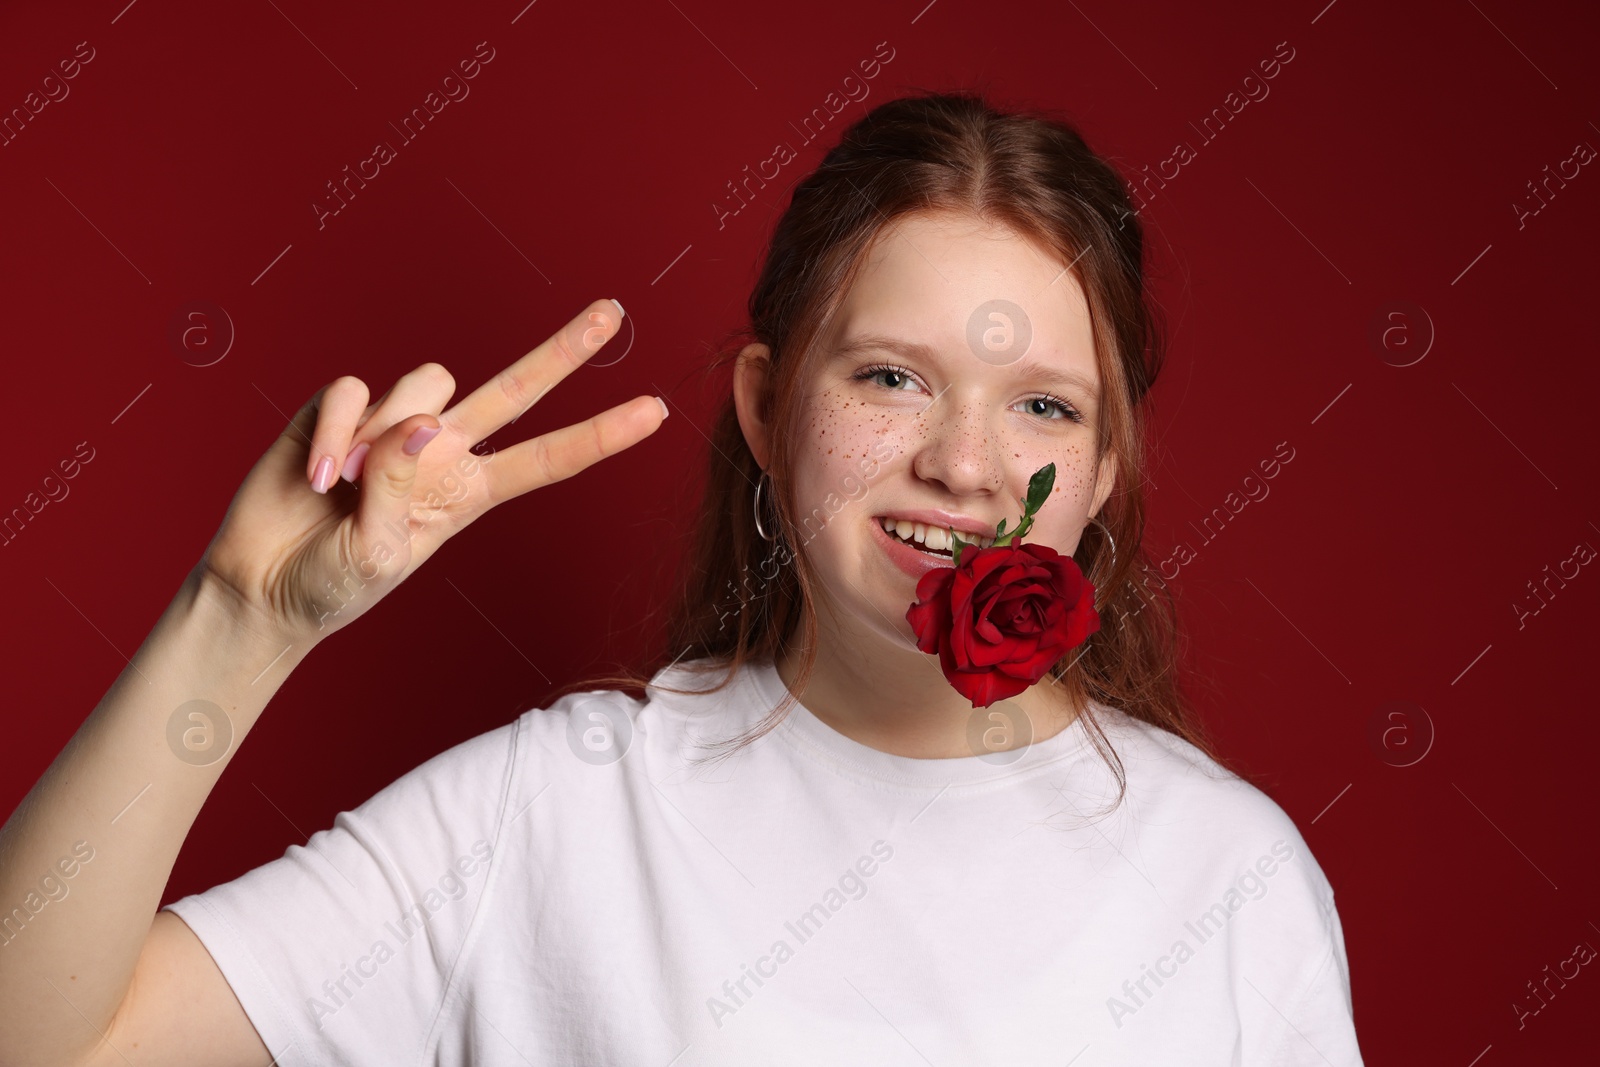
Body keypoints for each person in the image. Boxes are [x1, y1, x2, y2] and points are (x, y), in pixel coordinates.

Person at [0, 91, 1363, 1066]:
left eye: (1045, 409)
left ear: (1109, 463)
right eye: (892, 378)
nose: (967, 465)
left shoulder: (1230, 876)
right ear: (770, 410)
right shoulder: (556, 813)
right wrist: (234, 623)